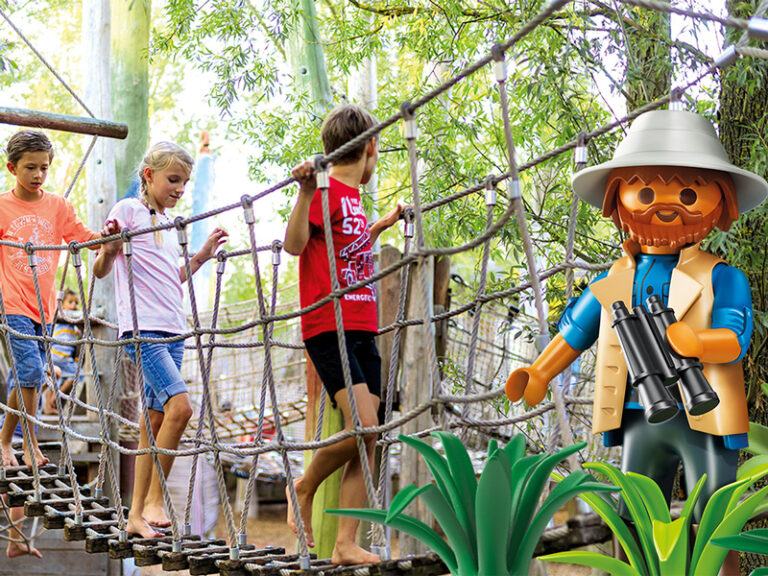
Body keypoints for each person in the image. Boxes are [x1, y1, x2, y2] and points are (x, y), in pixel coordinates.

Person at [505, 110, 768, 576]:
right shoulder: (615, 278)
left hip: (703, 413)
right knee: (635, 515)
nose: (665, 205)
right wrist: (541, 371)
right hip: (637, 412)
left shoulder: (723, 276)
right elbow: (578, 329)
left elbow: (735, 338)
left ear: (720, 203)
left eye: (688, 193)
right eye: (645, 191)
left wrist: (697, 341)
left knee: (715, 517)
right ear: (618, 198)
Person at [283, 104, 405, 565]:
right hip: (328, 324)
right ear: (371, 147)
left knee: (370, 437)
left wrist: (381, 226)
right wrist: (304, 192)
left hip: (361, 325)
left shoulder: (353, 200)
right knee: (364, 427)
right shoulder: (325, 189)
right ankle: (305, 485)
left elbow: (347, 248)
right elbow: (296, 245)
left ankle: (344, 543)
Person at [93, 141, 227, 539]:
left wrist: (201, 255)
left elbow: (175, 277)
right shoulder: (127, 211)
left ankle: (135, 516)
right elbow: (102, 268)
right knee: (181, 409)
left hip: (173, 330)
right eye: (173, 180)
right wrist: (111, 247)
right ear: (149, 176)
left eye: (184, 183)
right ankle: (155, 499)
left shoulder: (172, 226)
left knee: (153, 420)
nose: (180, 189)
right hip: (143, 329)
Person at [0, 129, 120, 559]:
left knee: (24, 377)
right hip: (10, 302)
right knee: (31, 374)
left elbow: (80, 237)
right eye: (30, 167)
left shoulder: (57, 206)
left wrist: (105, 237)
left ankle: (6, 443)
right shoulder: (2, 206)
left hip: (42, 308)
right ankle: (25, 443)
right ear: (12, 167)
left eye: (45, 167)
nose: (38, 174)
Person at [44, 288, 83, 415]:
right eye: (70, 302)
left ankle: (52, 401)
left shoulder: (73, 323)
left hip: (60, 357)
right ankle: (53, 399)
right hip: (58, 355)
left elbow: (78, 332)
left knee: (64, 376)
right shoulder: (60, 317)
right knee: (70, 375)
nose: (74, 306)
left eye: (76, 303)